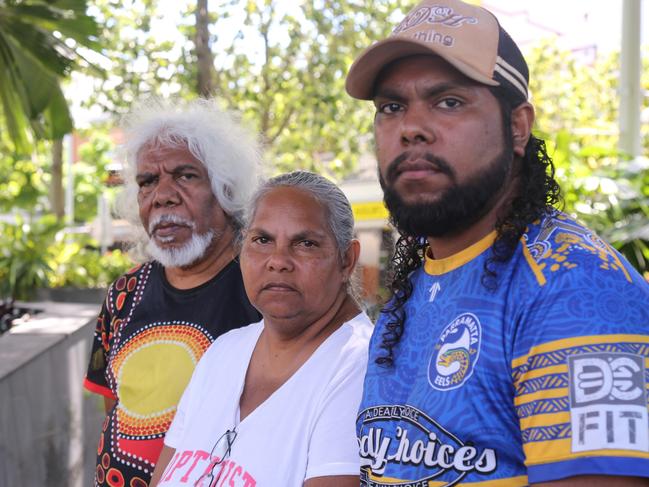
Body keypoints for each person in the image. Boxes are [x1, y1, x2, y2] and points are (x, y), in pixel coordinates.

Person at [345, 1, 649, 485]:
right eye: (391, 107)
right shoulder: (414, 287)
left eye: (448, 102)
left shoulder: (575, 289)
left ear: (518, 126)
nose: (410, 128)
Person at [149, 171, 372, 487]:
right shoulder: (223, 352)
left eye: (305, 243)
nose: (278, 261)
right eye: (262, 240)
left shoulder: (360, 366)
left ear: (347, 260)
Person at [83, 98, 262, 487]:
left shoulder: (263, 288)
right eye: (147, 181)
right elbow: (113, 406)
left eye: (185, 176)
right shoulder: (125, 293)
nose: (162, 195)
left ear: (225, 189)